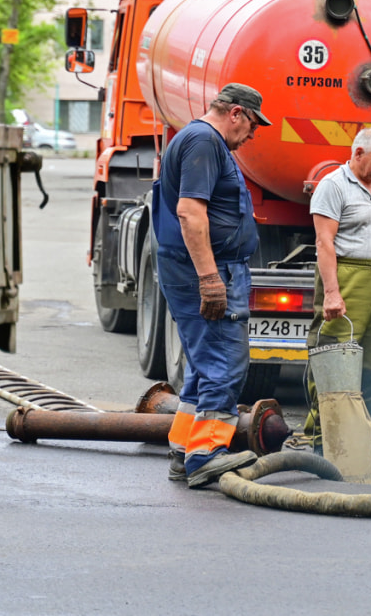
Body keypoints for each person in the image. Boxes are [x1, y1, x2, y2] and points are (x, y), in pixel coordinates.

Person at [153, 83, 272, 489]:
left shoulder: (195, 139)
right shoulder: (205, 140)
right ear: (236, 113)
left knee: (204, 365)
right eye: (253, 123)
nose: (253, 134)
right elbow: (189, 212)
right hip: (208, 268)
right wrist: (210, 279)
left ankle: (183, 449)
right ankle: (207, 454)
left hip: (196, 266)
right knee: (224, 363)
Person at [303, 127, 371, 464]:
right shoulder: (332, 186)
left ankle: (368, 437)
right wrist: (332, 292)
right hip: (346, 274)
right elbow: (324, 243)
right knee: (334, 358)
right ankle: (324, 438)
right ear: (357, 154)